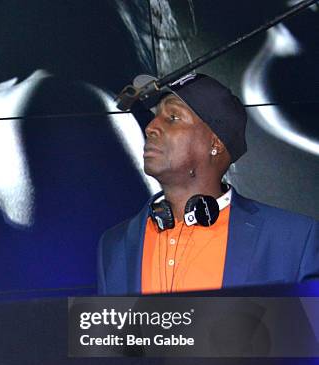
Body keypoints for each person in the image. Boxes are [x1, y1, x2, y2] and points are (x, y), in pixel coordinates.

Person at [98, 73, 319, 295]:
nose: (150, 127)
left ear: (215, 143)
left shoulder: (293, 240)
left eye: (173, 117)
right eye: (155, 116)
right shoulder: (114, 245)